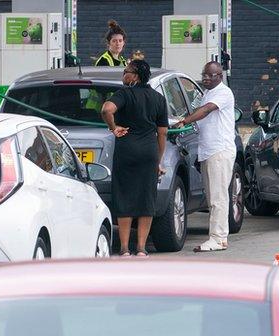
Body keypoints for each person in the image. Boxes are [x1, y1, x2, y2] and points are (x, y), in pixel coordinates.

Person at [101, 59, 169, 257]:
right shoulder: (158, 98)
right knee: (147, 197)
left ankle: (123, 248)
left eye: (127, 72)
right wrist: (159, 160)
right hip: (149, 152)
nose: (123, 75)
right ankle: (141, 248)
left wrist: (113, 128)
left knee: (124, 196)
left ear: (136, 76)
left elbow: (106, 109)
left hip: (127, 151)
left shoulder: (124, 94)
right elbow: (162, 133)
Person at [173, 61, 236, 252]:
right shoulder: (208, 93)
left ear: (220, 76)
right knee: (213, 198)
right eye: (204, 75)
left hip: (220, 151)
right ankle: (219, 237)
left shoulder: (223, 93)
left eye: (211, 75)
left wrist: (185, 120)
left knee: (218, 198)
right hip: (209, 151)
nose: (206, 78)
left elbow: (207, 110)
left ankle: (218, 238)